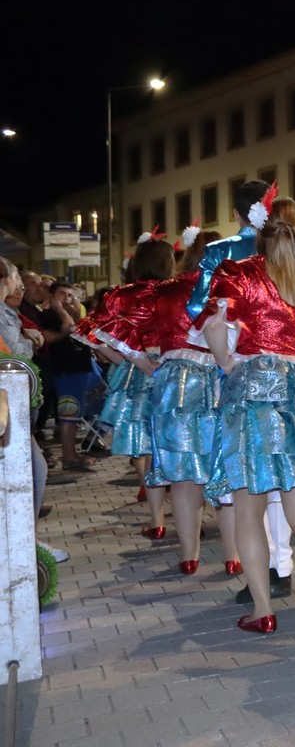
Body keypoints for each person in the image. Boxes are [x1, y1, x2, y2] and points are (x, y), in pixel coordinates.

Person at [194, 195, 295, 634]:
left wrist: (227, 363)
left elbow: (215, 325)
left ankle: (263, 611)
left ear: (261, 243)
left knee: (248, 513)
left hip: (254, 394)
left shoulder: (241, 274)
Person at [188, 179, 294, 602]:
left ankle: (263, 573)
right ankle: (282, 564)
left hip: (239, 372)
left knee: (249, 476)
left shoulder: (220, 253)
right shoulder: (291, 246)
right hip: (292, 376)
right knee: (283, 472)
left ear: (236, 212)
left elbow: (198, 308)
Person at [79, 238, 174, 540]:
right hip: (176, 373)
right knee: (176, 446)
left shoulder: (122, 295)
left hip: (137, 376)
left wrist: (123, 360)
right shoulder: (178, 291)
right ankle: (187, 516)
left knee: (146, 449)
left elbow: (89, 332)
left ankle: (158, 521)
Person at [0, 259, 63, 562]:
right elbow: (13, 357)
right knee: (33, 472)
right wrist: (31, 340)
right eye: (16, 277)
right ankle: (22, 544)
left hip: (14, 405)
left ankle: (25, 540)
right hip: (7, 405)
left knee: (35, 471)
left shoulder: (7, 311)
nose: (20, 285)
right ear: (6, 279)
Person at [39, 280, 104, 474]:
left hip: (81, 370)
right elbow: (62, 330)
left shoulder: (72, 314)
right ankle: (69, 457)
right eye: (62, 294)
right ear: (52, 296)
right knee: (69, 412)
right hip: (66, 371)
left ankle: (73, 453)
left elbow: (85, 332)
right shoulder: (48, 315)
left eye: (70, 295)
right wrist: (61, 311)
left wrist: (76, 313)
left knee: (79, 412)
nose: (66, 299)